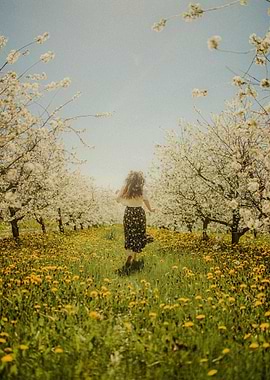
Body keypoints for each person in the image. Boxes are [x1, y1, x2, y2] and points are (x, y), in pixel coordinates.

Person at [116, 170, 155, 269]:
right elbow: (146, 201)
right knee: (138, 234)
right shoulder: (142, 189)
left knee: (129, 234)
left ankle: (130, 254)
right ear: (140, 179)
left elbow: (117, 199)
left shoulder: (125, 188)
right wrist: (150, 209)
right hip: (139, 213)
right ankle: (134, 257)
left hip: (129, 213)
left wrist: (124, 201)